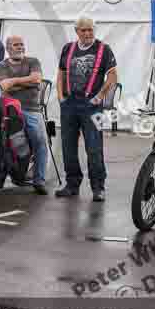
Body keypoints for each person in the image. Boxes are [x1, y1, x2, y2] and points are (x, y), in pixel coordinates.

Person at [55, 16, 118, 202]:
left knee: (94, 147)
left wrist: (99, 97)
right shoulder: (68, 48)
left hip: (91, 105)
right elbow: (61, 74)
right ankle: (72, 184)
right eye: (84, 30)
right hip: (69, 104)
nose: (88, 33)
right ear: (76, 31)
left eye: (90, 29)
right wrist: (60, 97)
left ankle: (98, 187)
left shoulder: (103, 49)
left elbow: (113, 76)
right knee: (68, 146)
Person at [0, 35, 49, 195]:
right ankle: (0, 176)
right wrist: (27, 82)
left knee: (40, 142)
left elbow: (37, 79)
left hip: (31, 108)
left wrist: (14, 82)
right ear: (8, 48)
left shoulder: (33, 61)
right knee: (1, 142)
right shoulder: (1, 65)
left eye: (21, 44)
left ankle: (39, 181)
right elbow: (5, 86)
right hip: (8, 109)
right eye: (16, 45)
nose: (20, 47)